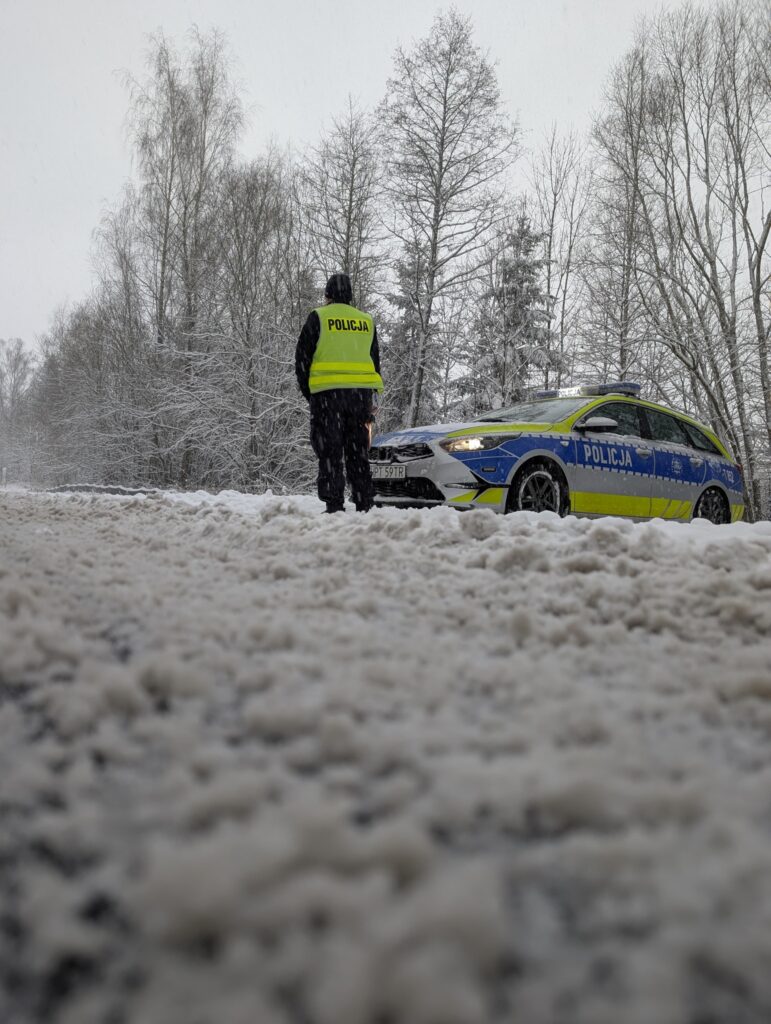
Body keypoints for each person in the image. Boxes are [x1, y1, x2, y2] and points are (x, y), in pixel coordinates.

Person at [295, 273, 383, 513]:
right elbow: (375, 362)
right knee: (358, 453)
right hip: (360, 398)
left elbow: (302, 358)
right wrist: (371, 393)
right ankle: (364, 504)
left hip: (327, 399)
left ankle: (335, 505)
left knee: (330, 452)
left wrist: (311, 394)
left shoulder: (319, 317)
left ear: (328, 295)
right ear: (350, 296)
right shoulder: (366, 321)